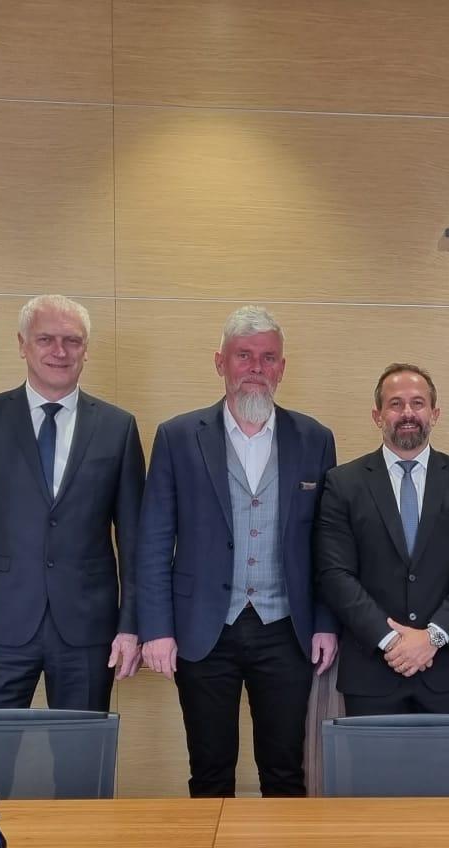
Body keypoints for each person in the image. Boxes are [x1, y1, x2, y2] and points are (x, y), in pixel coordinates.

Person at [137, 305, 338, 797]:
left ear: (282, 367)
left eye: (268, 358)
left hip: (286, 629)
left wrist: (326, 622)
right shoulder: (178, 437)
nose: (255, 368)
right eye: (243, 355)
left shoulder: (314, 438)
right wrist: (157, 629)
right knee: (209, 772)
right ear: (220, 362)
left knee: (285, 771)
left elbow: (328, 542)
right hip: (203, 630)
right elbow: (154, 540)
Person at [0, 294, 144, 712]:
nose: (59, 351)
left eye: (72, 340)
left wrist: (131, 625)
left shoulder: (118, 427)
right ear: (22, 344)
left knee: (82, 749)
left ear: (86, 349)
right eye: (45, 339)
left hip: (88, 629)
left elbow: (135, 541)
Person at [315, 364, 449, 716]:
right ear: (377, 416)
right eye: (395, 404)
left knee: (444, 757)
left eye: (418, 403)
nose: (408, 413)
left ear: (435, 413)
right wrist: (391, 641)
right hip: (371, 667)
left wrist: (432, 637)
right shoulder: (343, 484)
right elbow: (334, 574)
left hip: (445, 665)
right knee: (370, 758)